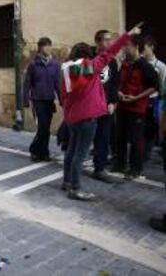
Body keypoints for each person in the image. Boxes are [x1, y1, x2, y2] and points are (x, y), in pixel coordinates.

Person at [61, 24, 142, 201]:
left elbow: (63, 98)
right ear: (87, 56)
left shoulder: (67, 71)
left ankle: (67, 181)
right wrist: (127, 35)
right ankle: (75, 188)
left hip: (72, 118)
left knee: (72, 151)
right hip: (87, 118)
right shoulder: (90, 68)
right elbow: (109, 53)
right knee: (80, 154)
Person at [113, 35, 157, 180]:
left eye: (128, 45)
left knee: (136, 140)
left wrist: (136, 98)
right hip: (122, 107)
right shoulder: (125, 63)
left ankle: (135, 169)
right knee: (119, 137)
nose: (125, 48)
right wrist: (119, 91)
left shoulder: (145, 66)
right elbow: (119, 82)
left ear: (136, 47)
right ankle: (119, 164)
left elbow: (153, 87)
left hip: (137, 109)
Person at [23, 37, 60, 162]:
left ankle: (43, 152)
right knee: (42, 127)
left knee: (46, 128)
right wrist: (25, 100)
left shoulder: (54, 64)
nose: (48, 48)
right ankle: (35, 150)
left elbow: (57, 84)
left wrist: (62, 99)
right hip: (37, 100)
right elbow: (27, 83)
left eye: (50, 45)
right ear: (40, 48)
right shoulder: (33, 64)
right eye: (45, 46)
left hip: (49, 100)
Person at [91, 30, 120, 183]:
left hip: (105, 105)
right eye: (106, 40)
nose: (110, 43)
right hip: (90, 105)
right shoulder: (89, 58)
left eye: (111, 40)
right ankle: (71, 168)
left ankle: (100, 168)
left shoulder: (112, 61)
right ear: (97, 41)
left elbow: (115, 84)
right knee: (83, 136)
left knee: (103, 137)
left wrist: (113, 102)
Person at [142, 36, 166, 160]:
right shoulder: (140, 63)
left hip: (153, 99)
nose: (142, 50)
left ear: (151, 47)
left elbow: (162, 86)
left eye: (144, 48)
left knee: (152, 126)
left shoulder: (160, 66)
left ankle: (149, 151)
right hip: (139, 99)